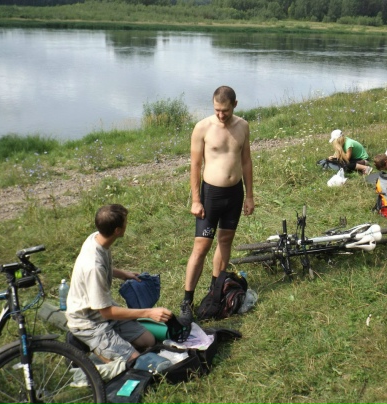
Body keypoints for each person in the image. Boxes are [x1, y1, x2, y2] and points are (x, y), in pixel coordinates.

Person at [179, 85, 255, 325]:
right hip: (210, 195)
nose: (221, 115)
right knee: (201, 246)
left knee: (225, 241)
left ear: (235, 105)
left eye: (225, 110)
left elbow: (246, 161)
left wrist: (250, 196)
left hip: (234, 194)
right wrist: (196, 200)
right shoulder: (202, 128)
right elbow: (195, 165)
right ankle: (187, 301)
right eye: (217, 110)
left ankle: (216, 291)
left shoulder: (243, 126)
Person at [66, 204, 173, 365]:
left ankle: (110, 346)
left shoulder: (96, 238)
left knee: (149, 341)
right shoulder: (93, 267)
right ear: (117, 230)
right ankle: (83, 346)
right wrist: (148, 313)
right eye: (125, 222)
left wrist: (122, 274)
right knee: (134, 363)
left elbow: (102, 268)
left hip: (102, 313)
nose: (127, 225)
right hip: (89, 322)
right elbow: (106, 312)